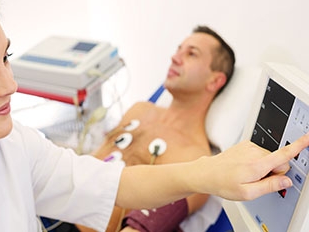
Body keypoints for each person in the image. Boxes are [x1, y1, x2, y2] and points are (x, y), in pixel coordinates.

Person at [0, 0, 308, 232]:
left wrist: (210, 173)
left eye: (7, 58)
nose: (11, 85)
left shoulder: (12, 147)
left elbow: (105, 185)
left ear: (215, 80)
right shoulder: (139, 110)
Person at [75, 25, 234, 232]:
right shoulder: (139, 111)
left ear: (215, 80)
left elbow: (143, 226)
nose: (175, 58)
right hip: (53, 212)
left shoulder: (196, 160)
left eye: (191, 54)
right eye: (179, 49)